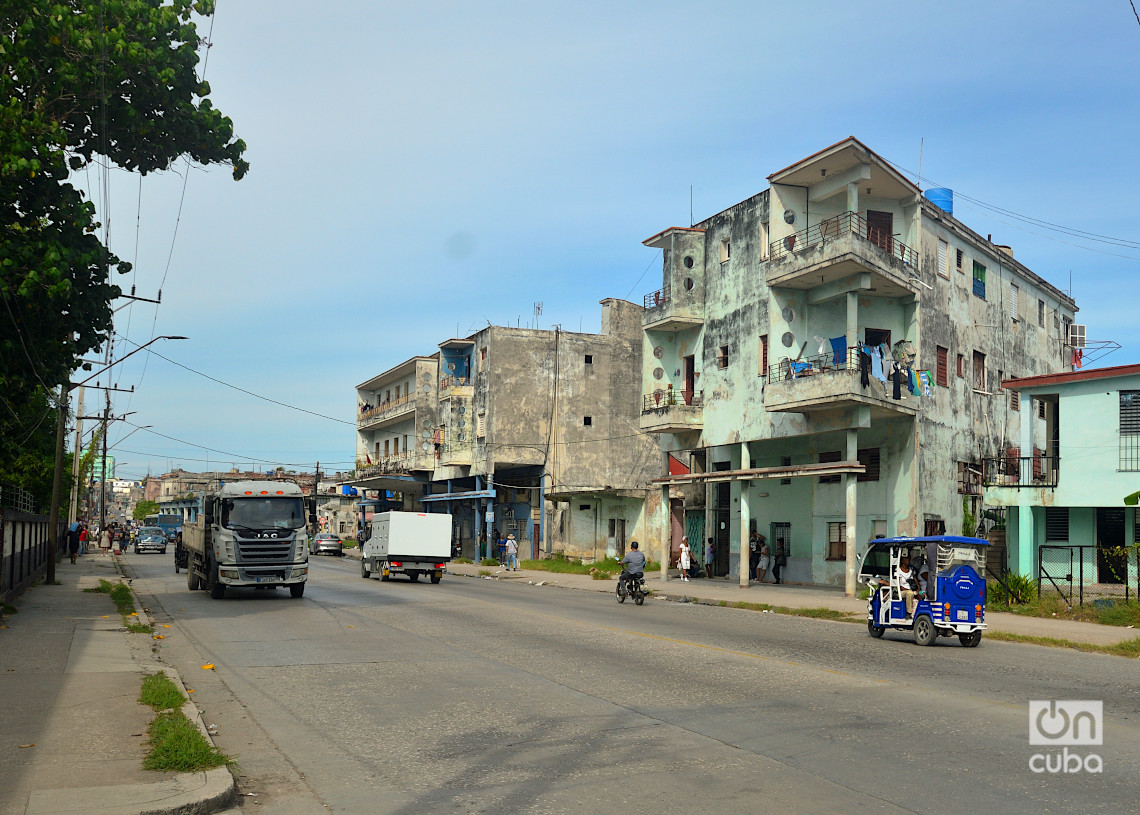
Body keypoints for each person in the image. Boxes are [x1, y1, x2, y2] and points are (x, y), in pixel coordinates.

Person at [897, 554, 918, 618]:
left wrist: (919, 588)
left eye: (908, 559)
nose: (907, 560)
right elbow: (898, 585)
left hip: (911, 589)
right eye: (905, 559)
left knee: (921, 594)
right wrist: (909, 590)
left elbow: (915, 580)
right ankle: (909, 613)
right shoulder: (898, 570)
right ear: (902, 560)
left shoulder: (911, 570)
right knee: (910, 593)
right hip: (902, 591)